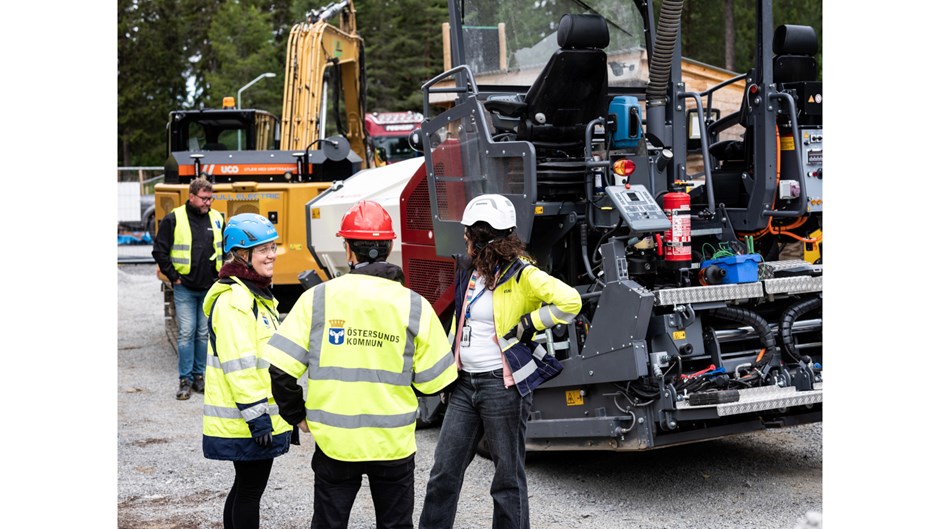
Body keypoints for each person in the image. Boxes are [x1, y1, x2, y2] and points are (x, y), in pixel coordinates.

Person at [263, 200, 458, 529]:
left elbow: (280, 369)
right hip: (392, 444)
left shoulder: (318, 298)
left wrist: (298, 416)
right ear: (390, 247)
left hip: (335, 443)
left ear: (348, 250)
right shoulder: (414, 305)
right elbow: (435, 383)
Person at [419, 194, 582, 529]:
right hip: (465, 385)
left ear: (482, 239)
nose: (463, 238)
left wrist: (530, 323)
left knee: (507, 478)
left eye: (468, 234)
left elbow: (570, 301)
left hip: (501, 386)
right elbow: (460, 322)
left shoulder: (523, 274)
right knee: (443, 472)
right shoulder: (468, 270)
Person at [202, 213, 293, 529]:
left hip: (252, 416)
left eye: (273, 247)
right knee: (250, 491)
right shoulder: (234, 301)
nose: (272, 255)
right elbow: (239, 365)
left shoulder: (254, 293)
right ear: (242, 253)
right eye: (263, 249)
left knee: (245, 488)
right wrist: (258, 417)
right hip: (247, 419)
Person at [152, 176, 224, 400]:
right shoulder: (174, 219)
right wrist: (174, 277)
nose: (208, 203)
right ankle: (185, 380)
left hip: (208, 288)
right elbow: (159, 251)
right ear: (191, 197)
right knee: (186, 333)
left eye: (210, 199)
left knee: (203, 334)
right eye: (203, 199)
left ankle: (199, 377)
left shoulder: (218, 218)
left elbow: (225, 249)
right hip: (185, 288)